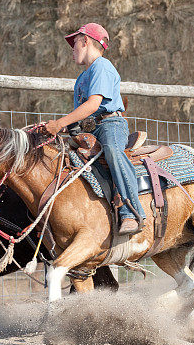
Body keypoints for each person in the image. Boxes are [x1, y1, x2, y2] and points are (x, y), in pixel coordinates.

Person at [43, 23, 145, 236]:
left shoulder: (102, 67)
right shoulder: (82, 77)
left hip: (110, 125)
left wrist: (60, 123)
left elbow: (92, 104)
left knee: (113, 153)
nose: (72, 49)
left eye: (75, 44)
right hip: (90, 128)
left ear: (86, 40)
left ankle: (131, 212)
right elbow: (82, 114)